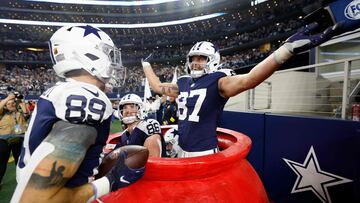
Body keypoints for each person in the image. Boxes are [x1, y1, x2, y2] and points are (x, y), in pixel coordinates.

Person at [142, 22, 343, 158]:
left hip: (203, 152)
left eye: (201, 58)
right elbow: (158, 87)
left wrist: (285, 51)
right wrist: (146, 66)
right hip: (181, 148)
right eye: (193, 58)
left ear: (212, 61)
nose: (195, 62)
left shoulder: (218, 81)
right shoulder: (184, 82)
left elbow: (249, 79)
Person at [11, 25, 145, 203]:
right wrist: (109, 181)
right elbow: (37, 199)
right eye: (108, 54)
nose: (114, 63)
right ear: (88, 55)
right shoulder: (86, 97)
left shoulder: (65, 92)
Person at [0, 93, 29, 187]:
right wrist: (7, 98)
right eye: (9, 104)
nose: (12, 104)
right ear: (4, 105)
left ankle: (21, 180)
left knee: (20, 161)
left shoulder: (18, 111)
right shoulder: (2, 112)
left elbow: (26, 116)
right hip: (4, 140)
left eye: (13, 103)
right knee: (2, 163)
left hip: (19, 139)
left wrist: (23, 106)